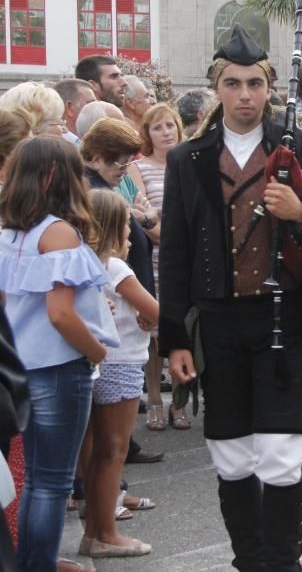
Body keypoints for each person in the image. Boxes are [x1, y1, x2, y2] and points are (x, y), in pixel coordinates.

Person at [158, 24, 302, 570]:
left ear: (270, 88)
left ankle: (283, 564)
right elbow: (174, 256)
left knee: (283, 455)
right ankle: (249, 562)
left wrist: (301, 213)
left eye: (255, 84)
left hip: (283, 319)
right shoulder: (187, 159)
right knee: (232, 454)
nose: (245, 95)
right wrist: (174, 337)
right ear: (217, 87)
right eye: (234, 84)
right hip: (216, 322)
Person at [0, 137, 114, 572]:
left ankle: (31, 562)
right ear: (57, 176)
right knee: (52, 483)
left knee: (34, 482)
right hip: (59, 367)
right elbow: (61, 315)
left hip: (20, 369)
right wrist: (97, 350)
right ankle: (38, 565)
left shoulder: (9, 231)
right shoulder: (59, 232)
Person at [77, 190, 155, 559]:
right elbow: (156, 311)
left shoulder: (85, 262)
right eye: (126, 224)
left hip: (95, 362)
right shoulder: (116, 267)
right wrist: (153, 317)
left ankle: (93, 527)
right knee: (114, 450)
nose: (129, 231)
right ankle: (105, 531)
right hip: (121, 362)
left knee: (94, 450)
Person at [127, 103, 187, 430]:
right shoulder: (140, 168)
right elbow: (141, 213)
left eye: (170, 126)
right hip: (155, 257)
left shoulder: (189, 163)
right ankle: (153, 397)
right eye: (157, 127)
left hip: (186, 259)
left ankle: (179, 401)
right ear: (147, 134)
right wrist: (165, 236)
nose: (165, 133)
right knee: (154, 333)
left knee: (182, 328)